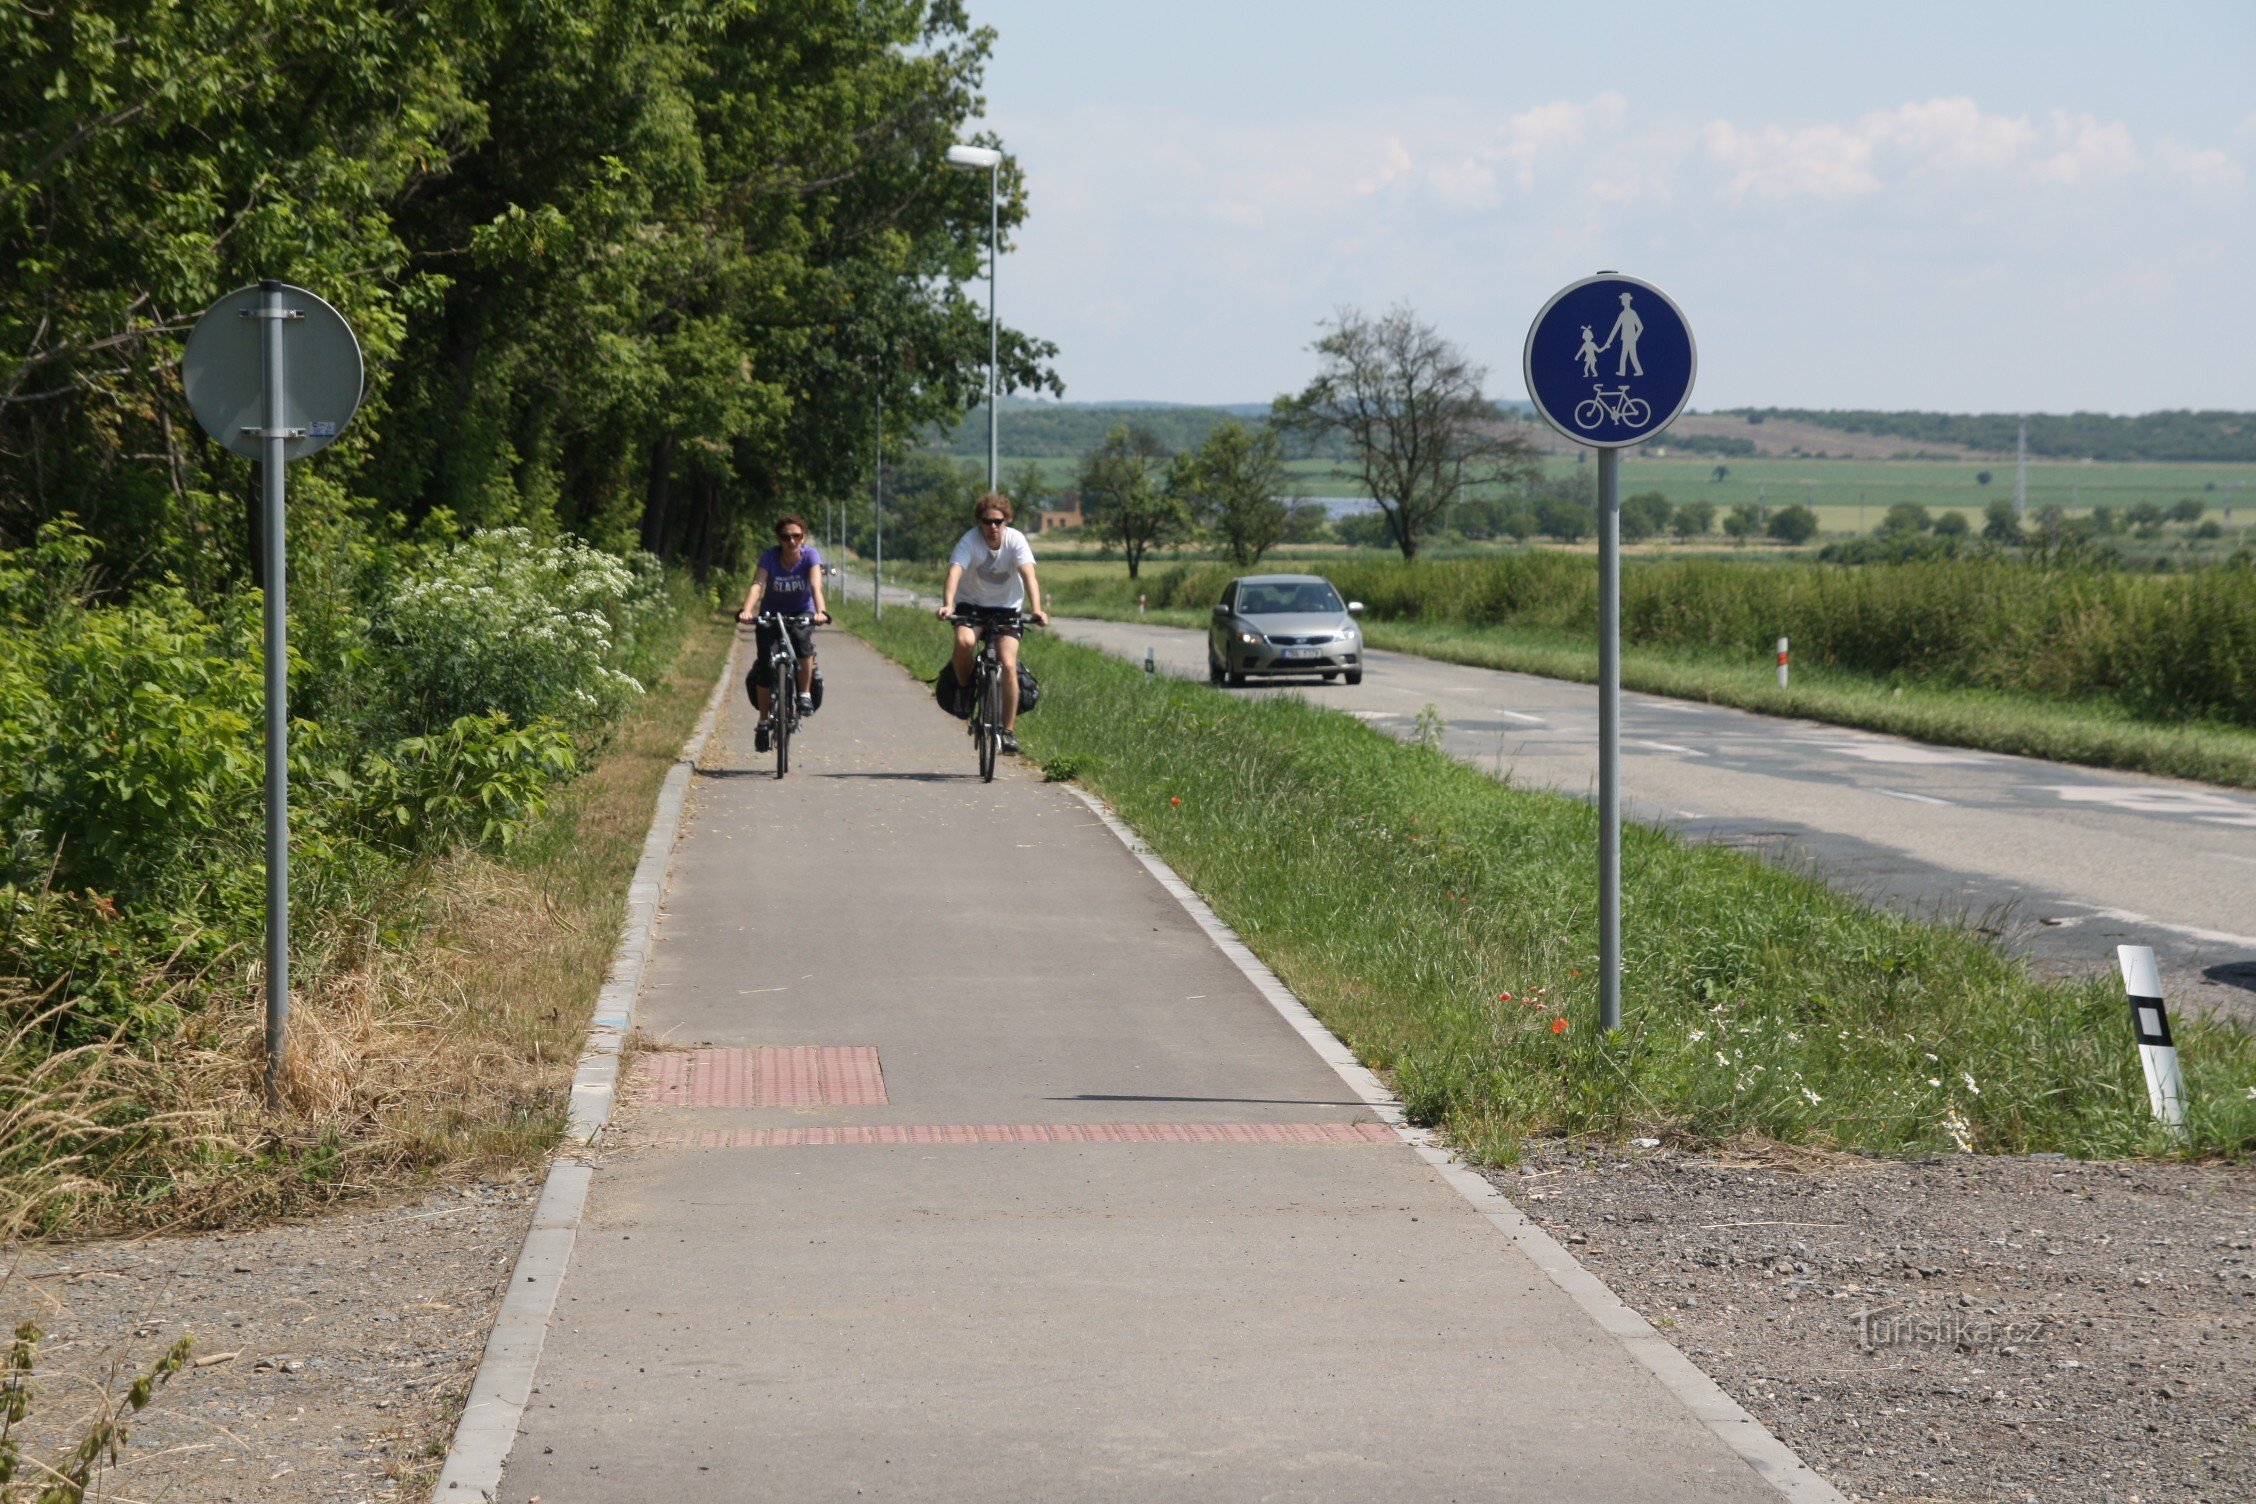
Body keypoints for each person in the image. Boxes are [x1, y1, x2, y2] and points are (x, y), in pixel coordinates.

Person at [935, 492, 1048, 755]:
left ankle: (1007, 731)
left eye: (998, 521)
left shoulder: (1016, 541)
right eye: (987, 521)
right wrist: (948, 604)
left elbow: (1029, 575)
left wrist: (1038, 609)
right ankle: (964, 689)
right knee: (965, 641)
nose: (992, 527)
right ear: (979, 521)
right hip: (971, 604)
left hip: (1006, 607)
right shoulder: (969, 540)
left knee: (1008, 664)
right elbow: (954, 572)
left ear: (1006, 521)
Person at [737, 514, 830, 753]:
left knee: (801, 642)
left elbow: (815, 586)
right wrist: (747, 610)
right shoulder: (770, 556)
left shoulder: (810, 556)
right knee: (766, 666)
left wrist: (821, 612)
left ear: (803, 538)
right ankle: (763, 722)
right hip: (771, 613)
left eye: (796, 536)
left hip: (802, 612)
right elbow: (757, 584)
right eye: (786, 537)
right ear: (779, 539)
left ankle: (805, 694)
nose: (791, 541)